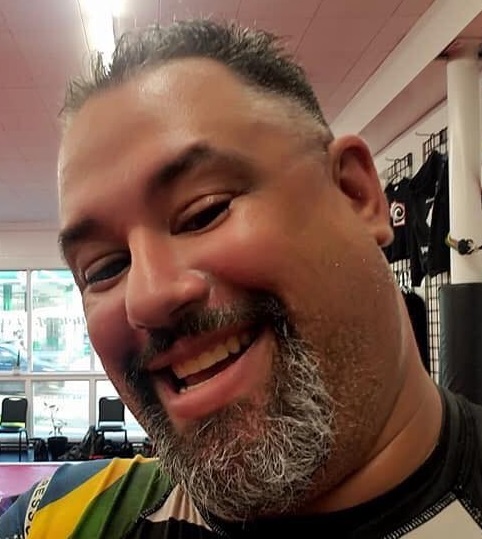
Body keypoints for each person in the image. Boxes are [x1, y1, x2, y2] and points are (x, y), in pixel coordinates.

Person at [1, 18, 482, 538]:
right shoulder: (62, 520)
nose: (147, 297)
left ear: (354, 194)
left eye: (205, 212)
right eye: (104, 268)